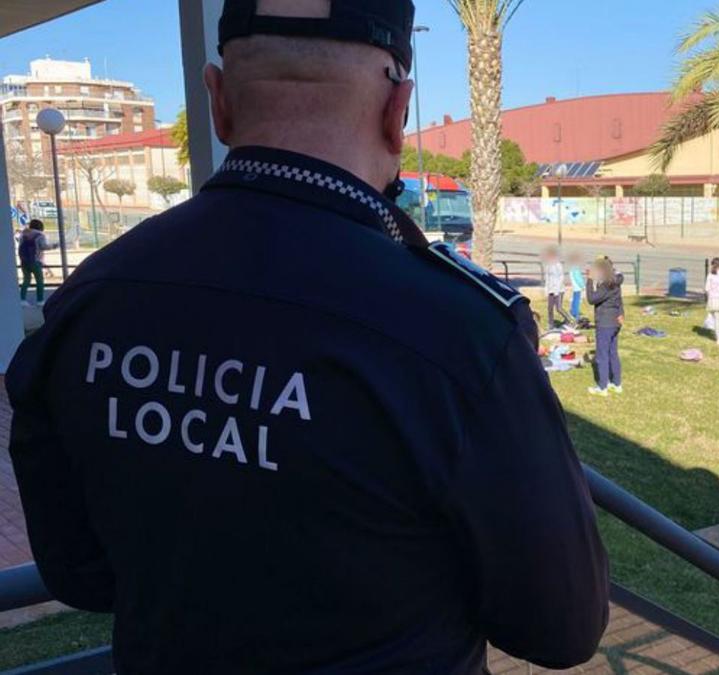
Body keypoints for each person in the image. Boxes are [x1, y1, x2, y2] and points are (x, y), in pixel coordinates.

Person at [6, 2, 608, 673]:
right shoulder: (460, 332)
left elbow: (78, 574)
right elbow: (563, 629)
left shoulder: (92, 297)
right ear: (397, 110)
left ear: (218, 101)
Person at [586, 256, 624, 396]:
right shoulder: (615, 281)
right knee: (612, 353)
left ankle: (602, 387)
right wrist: (621, 314)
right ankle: (617, 384)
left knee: (602, 355)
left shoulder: (606, 285)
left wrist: (589, 280)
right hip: (614, 322)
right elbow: (619, 300)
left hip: (605, 324)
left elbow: (591, 299)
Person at [17, 219, 54, 307]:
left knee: (26, 280)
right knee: (39, 281)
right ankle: (40, 300)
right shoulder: (40, 235)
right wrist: (54, 245)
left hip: (24, 261)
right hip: (35, 261)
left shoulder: (23, 234)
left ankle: (22, 299)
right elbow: (44, 246)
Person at [543, 246, 572, 330]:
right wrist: (547, 289)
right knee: (550, 308)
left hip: (559, 290)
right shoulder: (548, 265)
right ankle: (551, 324)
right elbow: (547, 278)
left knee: (559, 308)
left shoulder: (558, 265)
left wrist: (557, 290)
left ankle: (569, 320)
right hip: (551, 290)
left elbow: (561, 278)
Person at [567, 251, 586, 322]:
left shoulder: (572, 269)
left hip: (575, 287)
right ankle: (575, 313)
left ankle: (573, 311)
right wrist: (583, 286)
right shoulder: (576, 269)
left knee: (575, 300)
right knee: (577, 301)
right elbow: (578, 278)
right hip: (578, 287)